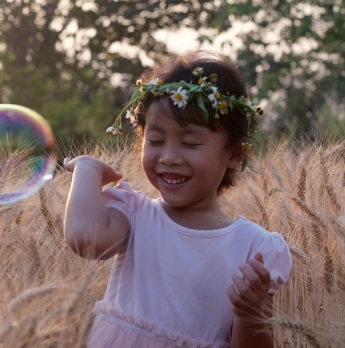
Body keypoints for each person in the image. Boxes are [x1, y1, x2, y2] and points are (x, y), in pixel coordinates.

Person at [62, 51, 291, 348]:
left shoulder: (254, 249)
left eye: (190, 143)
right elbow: (84, 240)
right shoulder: (133, 215)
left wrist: (250, 314)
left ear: (234, 153)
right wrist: (86, 171)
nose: (169, 157)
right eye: (155, 141)